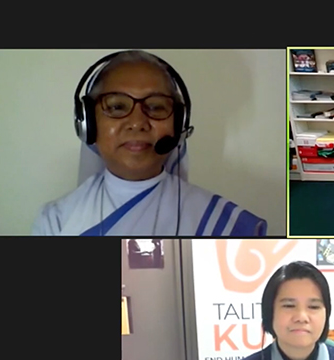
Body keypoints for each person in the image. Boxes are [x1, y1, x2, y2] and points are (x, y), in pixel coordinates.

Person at [32, 50, 267, 236]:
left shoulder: (223, 223)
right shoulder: (56, 220)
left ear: (179, 124)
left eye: (155, 107)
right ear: (88, 123)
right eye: (116, 107)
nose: (137, 123)